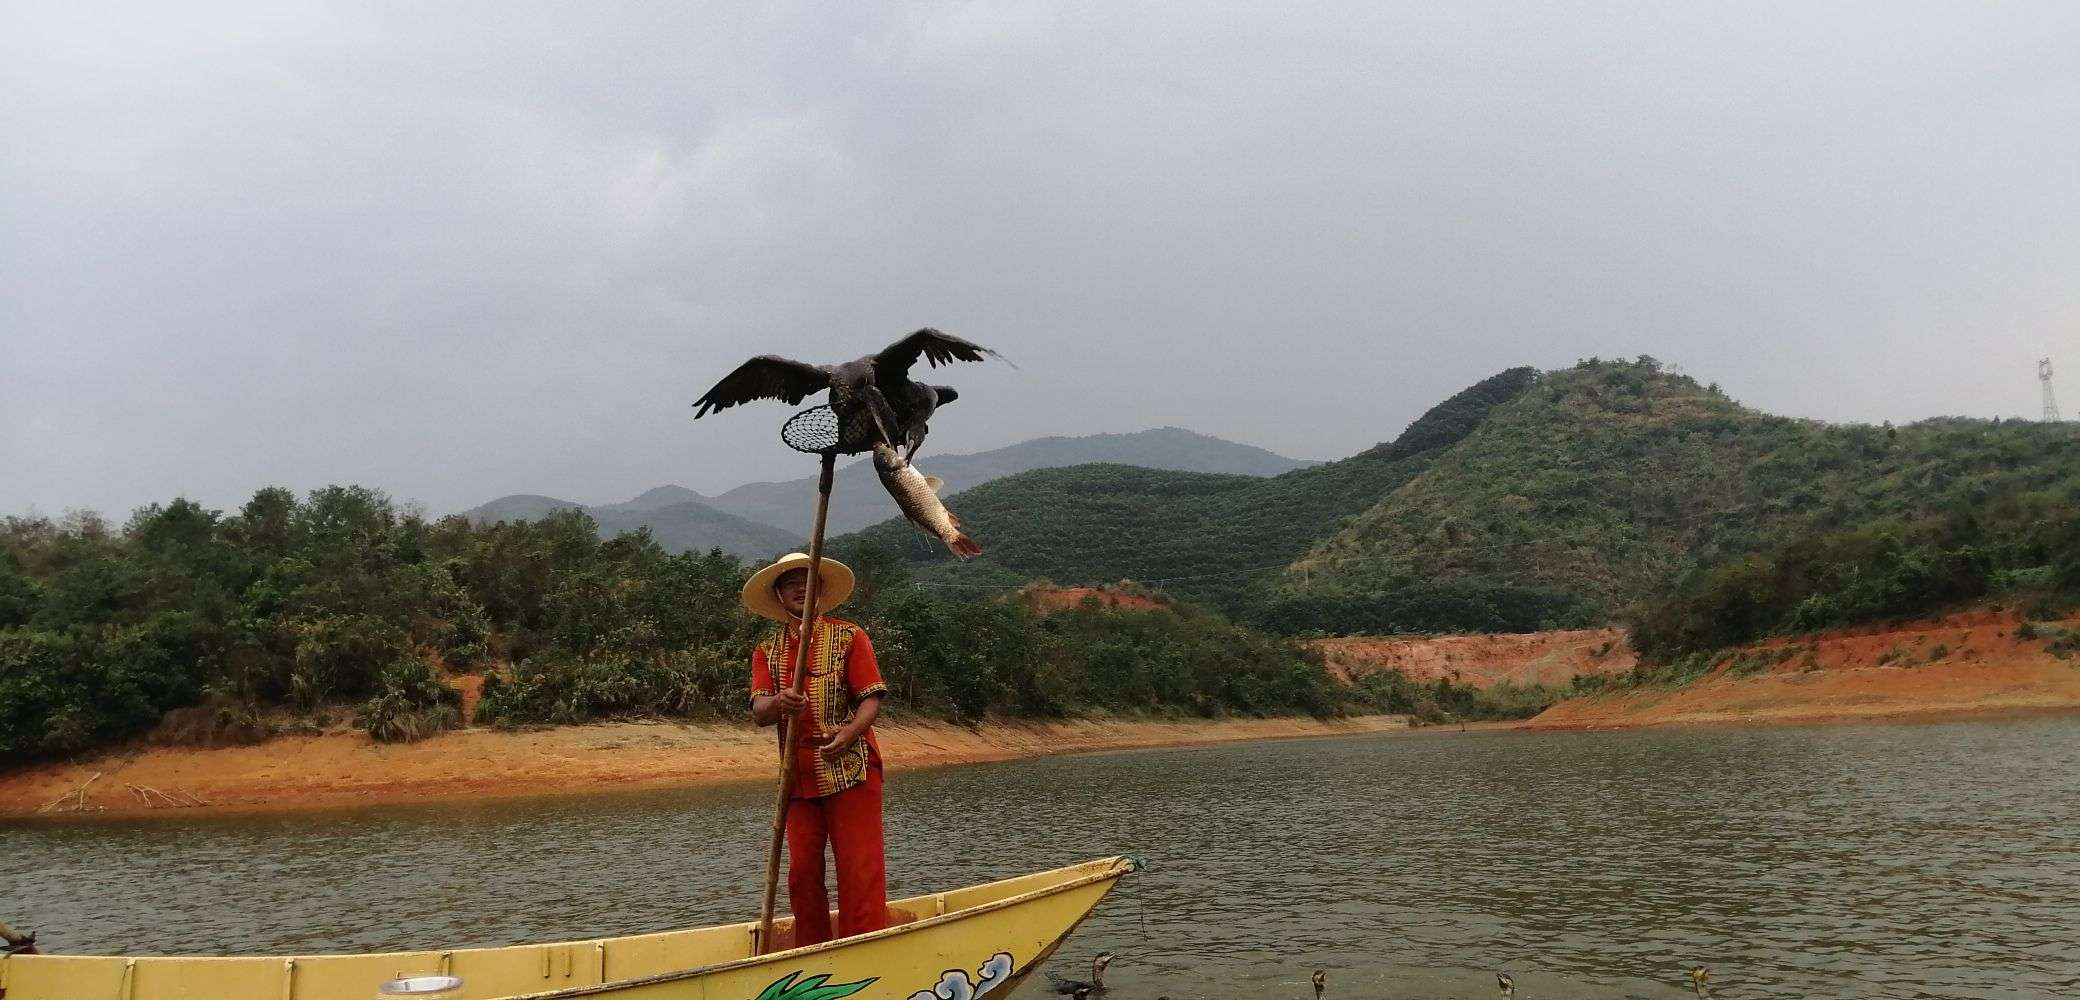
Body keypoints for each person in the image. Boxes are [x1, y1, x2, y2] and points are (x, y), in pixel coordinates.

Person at [744, 552, 889, 946]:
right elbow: (759, 710)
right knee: (802, 872)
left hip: (851, 770)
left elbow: (870, 698)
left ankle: (869, 946)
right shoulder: (767, 651)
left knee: (859, 869)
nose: (799, 589)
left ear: (820, 592)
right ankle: (812, 951)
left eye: (807, 582)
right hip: (798, 779)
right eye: (789, 583)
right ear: (778, 594)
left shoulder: (849, 636)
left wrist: (849, 733)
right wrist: (778, 703)